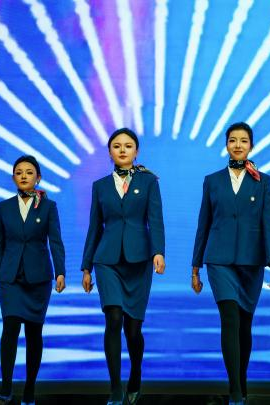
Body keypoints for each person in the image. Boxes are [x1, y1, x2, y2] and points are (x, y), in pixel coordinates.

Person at [191, 122, 270, 405]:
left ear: (251, 146)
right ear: (227, 145)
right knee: (229, 318)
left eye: (244, 140)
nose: (238, 145)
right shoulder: (212, 180)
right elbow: (203, 223)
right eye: (233, 140)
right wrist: (195, 267)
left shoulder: (263, 181)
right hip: (219, 260)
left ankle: (241, 383)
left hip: (251, 261)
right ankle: (234, 391)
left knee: (244, 324)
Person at [81, 128, 165, 405]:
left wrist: (159, 252)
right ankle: (115, 388)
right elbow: (94, 227)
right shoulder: (100, 186)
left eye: (128, 146)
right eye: (117, 146)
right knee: (114, 318)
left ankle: (135, 374)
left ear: (136, 151)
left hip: (140, 260)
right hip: (107, 260)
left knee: (133, 330)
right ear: (109, 152)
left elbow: (156, 219)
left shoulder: (149, 181)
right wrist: (86, 267)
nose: (122, 150)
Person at [0, 155, 66, 405]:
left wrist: (60, 272)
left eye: (29, 172)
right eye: (19, 172)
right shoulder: (3, 207)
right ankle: (6, 389)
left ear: (38, 177)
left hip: (38, 278)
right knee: (10, 329)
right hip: (10, 278)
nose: (24, 176)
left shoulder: (48, 206)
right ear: (13, 177)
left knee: (34, 333)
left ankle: (30, 390)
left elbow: (55, 241)